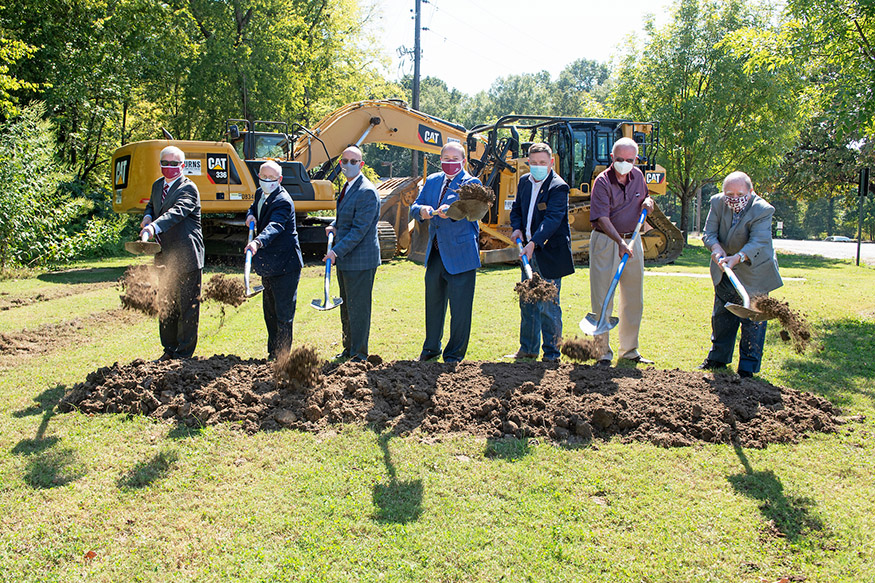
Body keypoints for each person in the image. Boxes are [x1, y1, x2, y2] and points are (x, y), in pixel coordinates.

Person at [699, 171, 782, 377]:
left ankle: (748, 367)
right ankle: (718, 358)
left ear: (751, 191)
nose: (734, 199)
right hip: (724, 268)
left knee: (753, 319)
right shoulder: (717, 203)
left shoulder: (763, 209)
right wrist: (716, 249)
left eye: (740, 194)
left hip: (754, 270)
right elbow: (709, 233)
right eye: (730, 194)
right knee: (722, 315)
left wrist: (737, 257)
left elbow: (759, 242)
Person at [410, 141, 482, 363]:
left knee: (460, 310)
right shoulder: (431, 181)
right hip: (435, 255)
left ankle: (454, 354)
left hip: (461, 255)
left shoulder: (472, 183)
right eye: (445, 158)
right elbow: (414, 206)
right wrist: (422, 211)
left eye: (454, 159)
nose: (450, 163)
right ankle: (431, 348)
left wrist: (449, 212)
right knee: (433, 305)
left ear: (463, 161)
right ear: (440, 159)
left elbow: (474, 212)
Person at [588, 137, 655, 367]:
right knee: (602, 298)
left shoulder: (638, 177)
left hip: (633, 240)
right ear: (611, 158)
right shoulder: (602, 182)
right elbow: (602, 217)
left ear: (636, 159)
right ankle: (602, 353)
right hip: (607, 241)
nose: (624, 163)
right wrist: (619, 241)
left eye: (629, 160)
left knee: (633, 298)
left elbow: (644, 198)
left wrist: (648, 202)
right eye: (619, 159)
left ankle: (629, 350)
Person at [508, 143, 574, 362]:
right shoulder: (524, 182)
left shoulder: (558, 187)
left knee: (548, 305)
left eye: (542, 163)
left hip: (548, 253)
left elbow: (553, 220)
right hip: (527, 251)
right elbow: (517, 209)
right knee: (527, 301)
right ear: (528, 162)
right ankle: (528, 348)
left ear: (551, 162)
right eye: (533, 163)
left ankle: (552, 353)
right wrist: (516, 228)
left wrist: (534, 243)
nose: (537, 167)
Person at [140, 145, 205, 360]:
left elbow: (176, 213)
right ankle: (168, 350)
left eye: (174, 164)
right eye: (165, 163)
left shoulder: (188, 189)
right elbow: (152, 206)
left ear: (183, 166)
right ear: (160, 165)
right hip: (164, 256)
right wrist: (148, 217)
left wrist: (154, 227)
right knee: (166, 304)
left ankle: (184, 354)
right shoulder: (158, 186)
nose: (169, 167)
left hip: (186, 255)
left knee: (187, 307)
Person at [324, 146, 381, 362]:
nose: (348, 165)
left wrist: (335, 252)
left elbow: (359, 230)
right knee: (346, 306)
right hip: (347, 260)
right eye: (344, 161)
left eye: (353, 161)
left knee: (358, 309)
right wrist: (334, 226)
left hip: (360, 261)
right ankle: (348, 349)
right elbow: (345, 219)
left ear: (361, 164)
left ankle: (359, 354)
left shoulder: (366, 191)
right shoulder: (348, 187)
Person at [244, 160, 304, 359]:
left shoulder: (283, 201)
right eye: (264, 177)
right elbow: (254, 207)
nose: (267, 181)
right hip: (269, 264)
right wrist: (250, 215)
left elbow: (275, 226)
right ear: (259, 176)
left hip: (286, 264)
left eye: (271, 178)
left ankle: (282, 358)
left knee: (283, 314)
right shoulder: (260, 193)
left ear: (280, 179)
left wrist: (257, 242)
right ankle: (273, 354)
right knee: (269, 312)